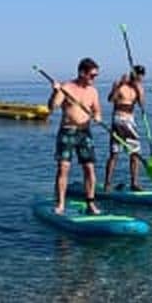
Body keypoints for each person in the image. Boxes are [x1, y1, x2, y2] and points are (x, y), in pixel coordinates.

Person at [48, 57, 103, 215]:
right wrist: (55, 91)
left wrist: (97, 117)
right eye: (92, 75)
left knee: (89, 168)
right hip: (67, 131)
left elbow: (97, 110)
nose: (94, 78)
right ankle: (60, 204)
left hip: (85, 132)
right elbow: (52, 107)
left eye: (96, 76)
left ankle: (90, 203)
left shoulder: (93, 91)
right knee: (63, 168)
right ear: (82, 73)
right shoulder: (66, 87)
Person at [103, 64, 146, 193]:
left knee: (135, 153)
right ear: (133, 74)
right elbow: (111, 99)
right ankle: (107, 183)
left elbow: (142, 105)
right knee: (115, 153)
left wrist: (138, 90)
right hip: (118, 120)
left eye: (142, 76)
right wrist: (119, 85)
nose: (140, 78)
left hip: (130, 121)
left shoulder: (139, 87)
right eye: (138, 75)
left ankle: (134, 183)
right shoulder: (119, 84)